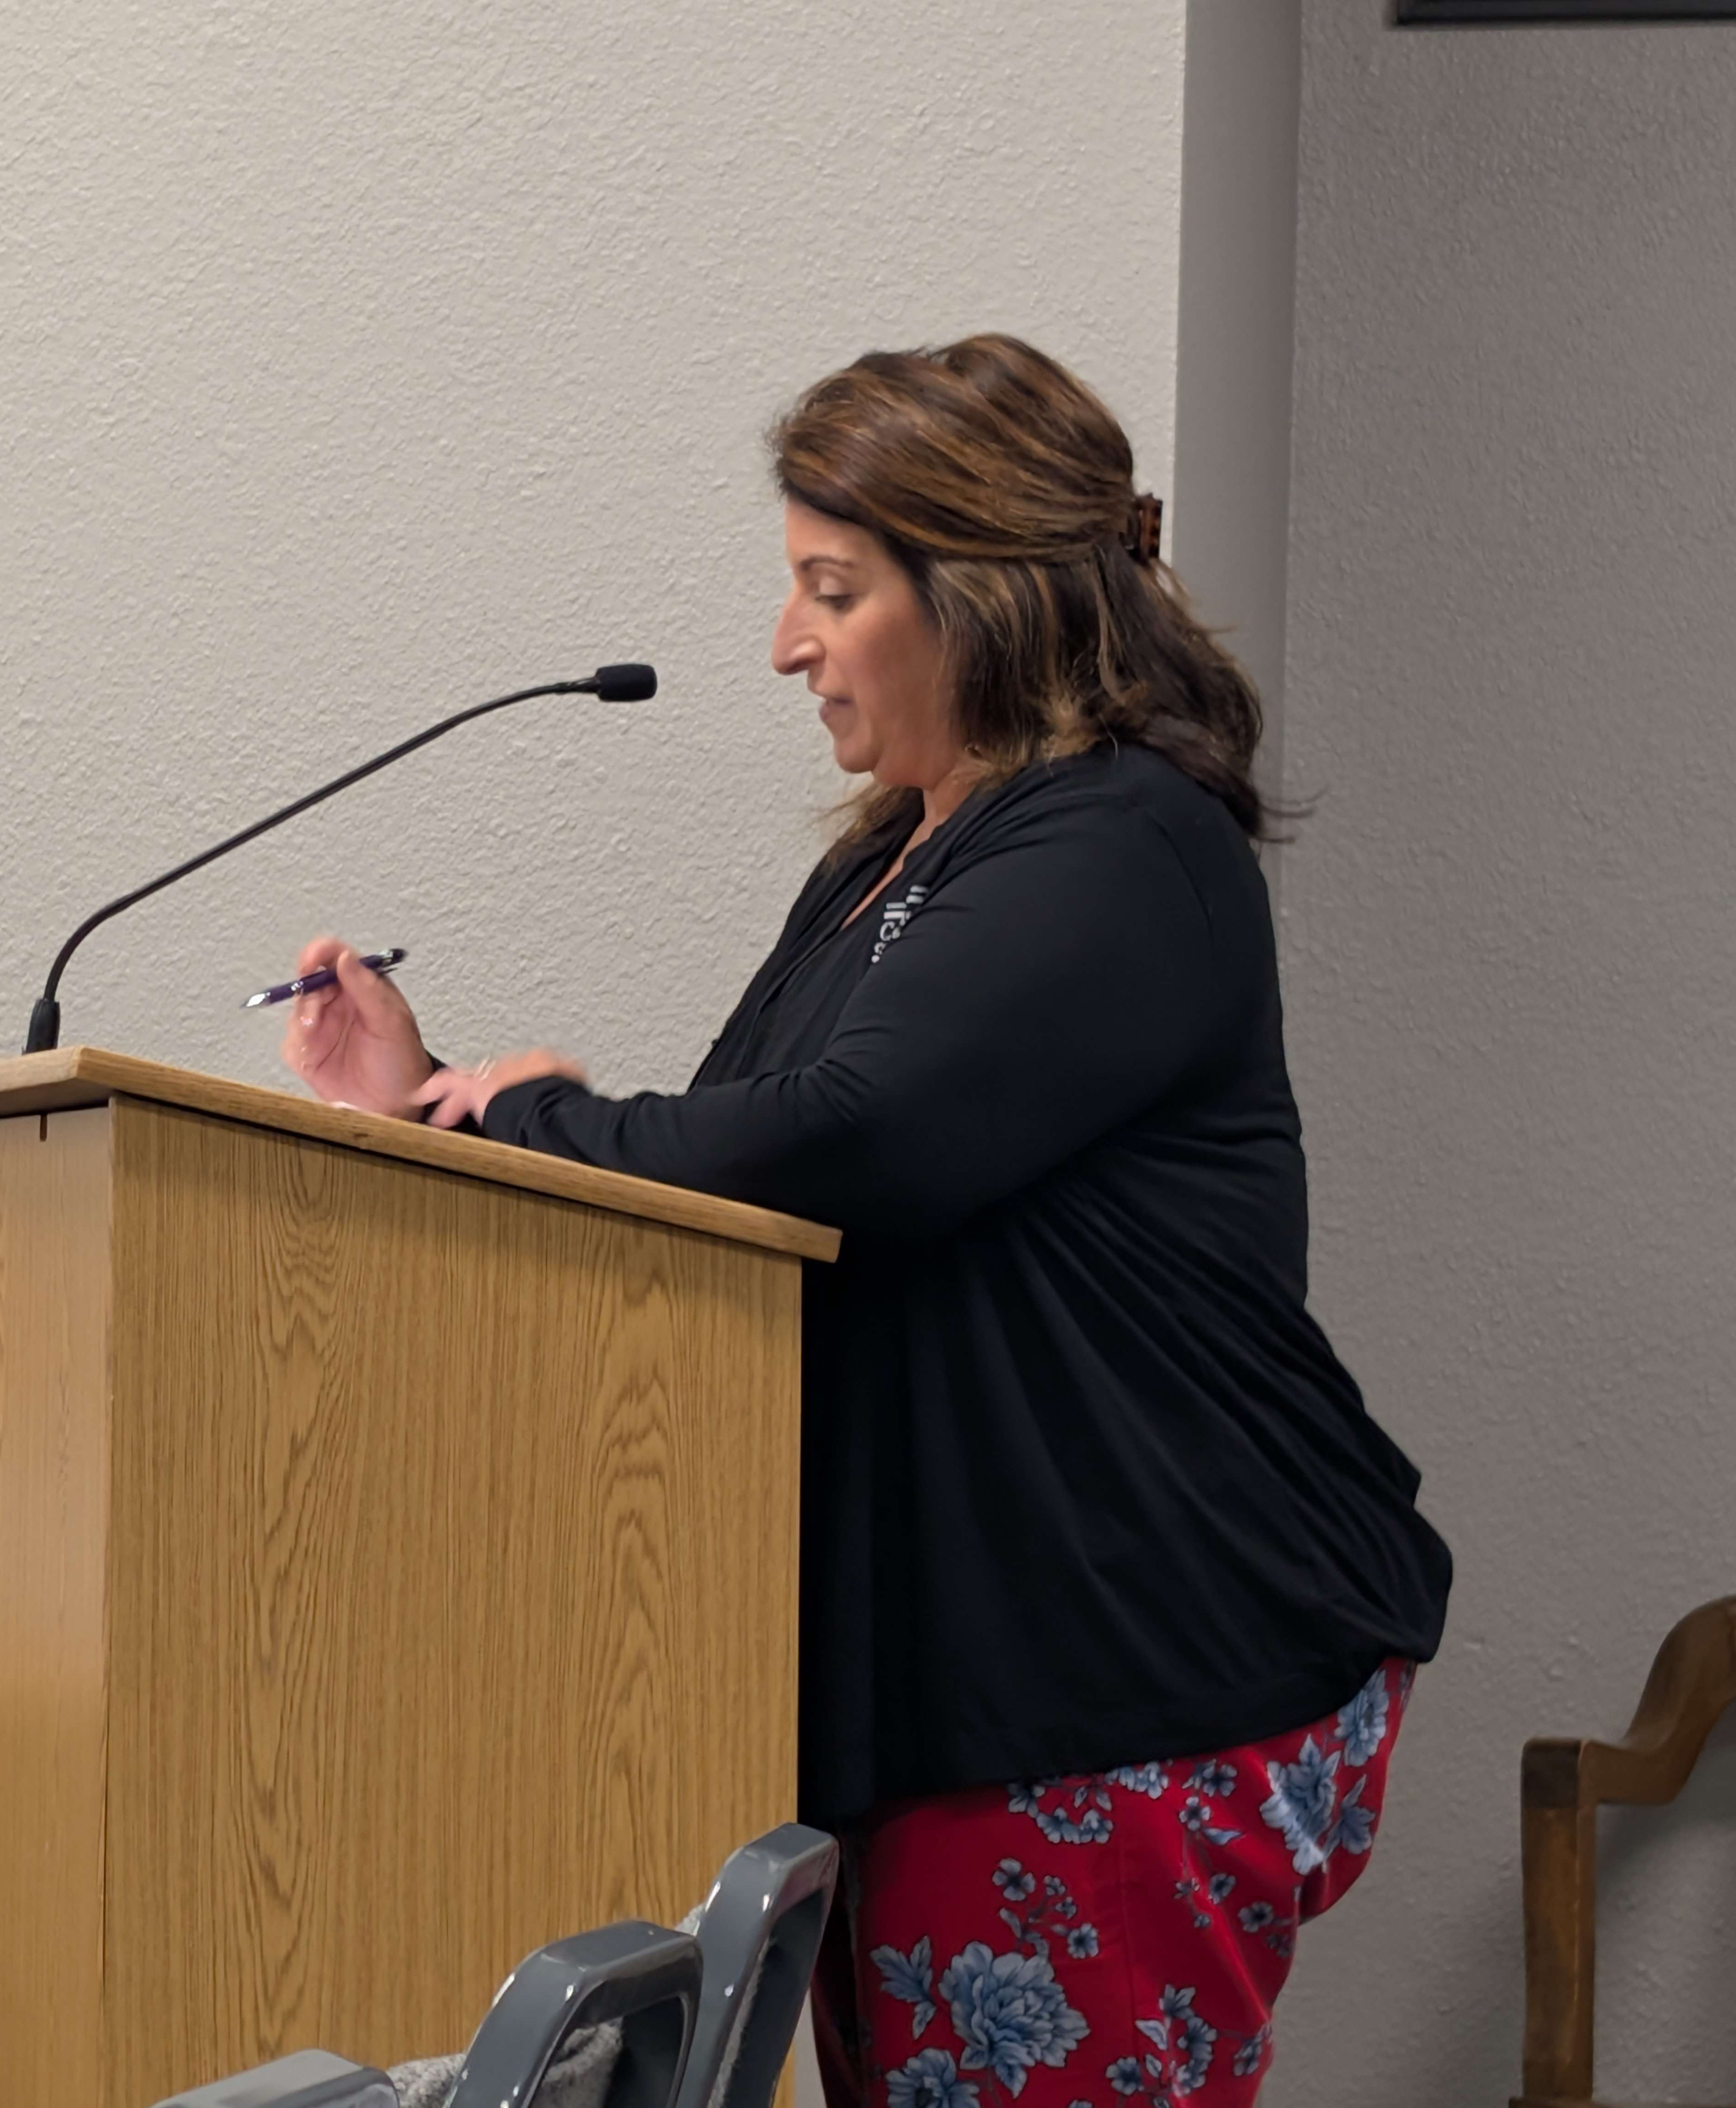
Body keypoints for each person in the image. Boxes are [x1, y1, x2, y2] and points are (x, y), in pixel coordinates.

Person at [278, 336, 1449, 2108]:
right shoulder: (890, 862)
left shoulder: (1127, 844)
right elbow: (744, 1176)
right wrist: (433, 1091)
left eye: (833, 590)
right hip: (954, 1688)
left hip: (1121, 1668)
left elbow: (855, 1143)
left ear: (982, 597)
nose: (785, 644)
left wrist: (532, 1112)